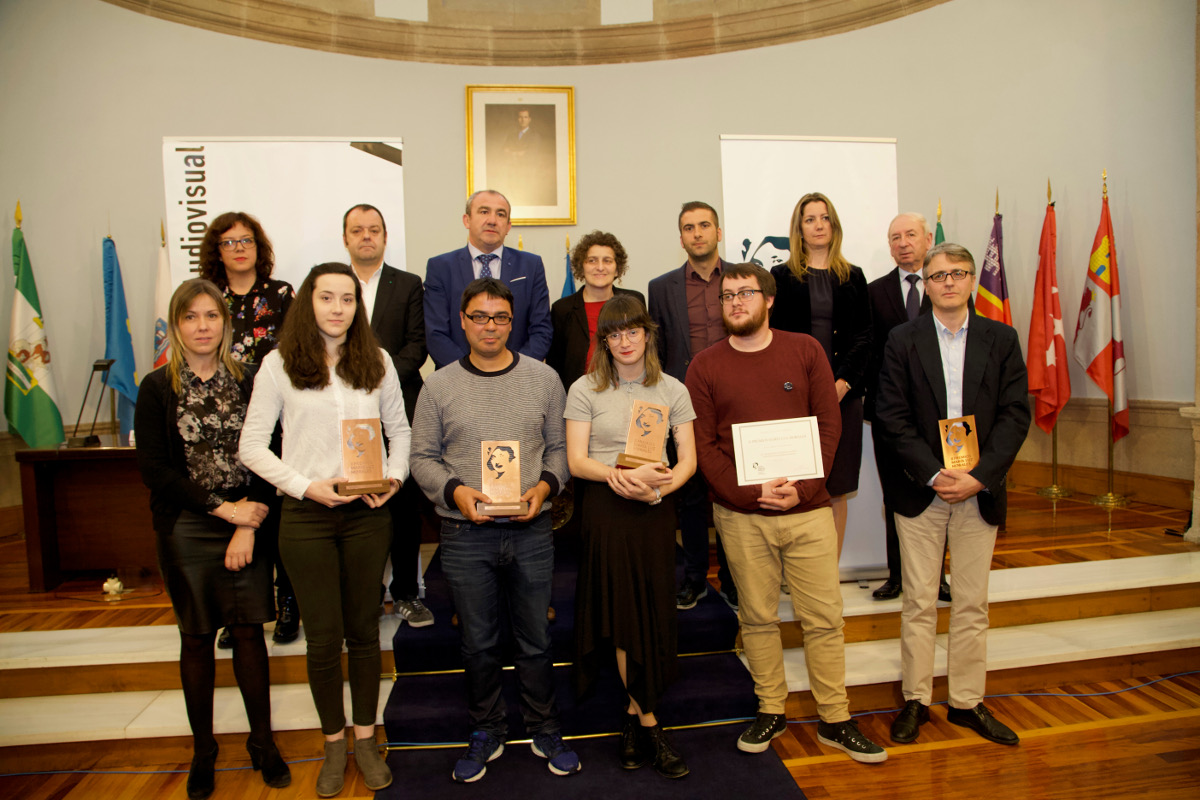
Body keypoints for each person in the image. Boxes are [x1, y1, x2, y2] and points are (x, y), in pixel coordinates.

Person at [685, 262, 887, 764]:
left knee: (824, 619)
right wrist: (748, 495)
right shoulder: (704, 366)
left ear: (769, 299)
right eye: (727, 295)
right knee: (755, 617)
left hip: (808, 510)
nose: (735, 302)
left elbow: (828, 425)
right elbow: (705, 446)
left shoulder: (805, 350)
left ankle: (835, 718)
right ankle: (770, 708)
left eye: (746, 293)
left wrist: (803, 488)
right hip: (741, 515)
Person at [239, 263, 409, 796]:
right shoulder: (278, 365)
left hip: (366, 515)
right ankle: (333, 743)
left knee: (363, 633)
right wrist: (304, 485)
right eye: (326, 298)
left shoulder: (376, 361)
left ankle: (364, 738)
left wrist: (395, 478)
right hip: (307, 517)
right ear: (308, 304)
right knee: (321, 640)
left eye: (347, 299)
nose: (337, 308)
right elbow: (251, 446)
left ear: (358, 307)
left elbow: (400, 431)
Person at [410, 277, 579, 783]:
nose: (490, 326)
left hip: (531, 528)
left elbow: (559, 450)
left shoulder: (544, 378)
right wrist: (456, 491)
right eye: (480, 317)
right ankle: (486, 729)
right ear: (462, 321)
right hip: (465, 533)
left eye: (500, 317)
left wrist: (545, 488)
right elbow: (421, 458)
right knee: (479, 644)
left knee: (535, 639)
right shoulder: (438, 385)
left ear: (513, 322)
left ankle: (544, 726)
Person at [134, 279, 290, 799]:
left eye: (211, 316)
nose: (202, 326)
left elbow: (269, 453)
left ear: (226, 322)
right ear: (177, 326)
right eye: (190, 317)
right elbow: (155, 470)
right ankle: (205, 749)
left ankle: (263, 742)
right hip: (186, 523)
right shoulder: (156, 387)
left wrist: (245, 523)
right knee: (196, 638)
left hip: (249, 515)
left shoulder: (252, 379)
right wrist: (221, 511)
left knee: (248, 632)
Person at [875, 243, 1030, 747]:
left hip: (978, 490)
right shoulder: (902, 338)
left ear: (970, 281)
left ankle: (967, 702)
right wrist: (934, 472)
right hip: (923, 489)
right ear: (927, 280)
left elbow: (1014, 415)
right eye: (938, 275)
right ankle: (915, 700)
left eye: (957, 273)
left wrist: (979, 475)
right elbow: (891, 416)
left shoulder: (1001, 338)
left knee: (971, 603)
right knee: (919, 602)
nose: (947, 282)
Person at [565, 295, 696, 779]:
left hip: (654, 510)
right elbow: (577, 461)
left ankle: (629, 719)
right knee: (623, 614)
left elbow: (688, 461)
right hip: (606, 508)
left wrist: (661, 489)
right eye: (614, 334)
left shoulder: (672, 390)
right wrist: (617, 478)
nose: (624, 341)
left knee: (653, 610)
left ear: (648, 334)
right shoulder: (584, 389)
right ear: (604, 342)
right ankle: (653, 725)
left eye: (632, 331)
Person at [198, 211, 299, 646]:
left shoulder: (281, 295)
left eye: (246, 241)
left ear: (259, 248)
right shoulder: (209, 298)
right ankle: (237, 612)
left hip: (275, 422)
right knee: (233, 515)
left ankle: (287, 604)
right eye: (229, 242)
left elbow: (297, 353)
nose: (239, 248)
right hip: (222, 421)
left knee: (276, 518)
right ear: (216, 251)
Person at [340, 203, 433, 628]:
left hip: (398, 408)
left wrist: (373, 379)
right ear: (346, 238)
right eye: (357, 230)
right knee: (356, 504)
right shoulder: (332, 285)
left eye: (373, 229)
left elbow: (418, 347)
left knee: (401, 503)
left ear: (384, 236)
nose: (366, 236)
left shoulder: (409, 284)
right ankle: (365, 595)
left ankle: (407, 593)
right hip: (342, 412)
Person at [769, 192, 871, 561]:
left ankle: (828, 568)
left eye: (824, 218)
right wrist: (804, 389)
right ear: (799, 228)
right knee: (797, 485)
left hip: (844, 398)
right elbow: (775, 340)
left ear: (834, 225)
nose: (818, 225)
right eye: (810, 219)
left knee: (836, 488)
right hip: (795, 398)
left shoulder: (854, 277)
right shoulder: (780, 277)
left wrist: (840, 384)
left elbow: (863, 338)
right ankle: (794, 570)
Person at [647, 201, 736, 611]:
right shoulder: (661, 287)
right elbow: (659, 352)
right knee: (692, 497)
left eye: (704, 225)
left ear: (718, 232)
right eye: (688, 227)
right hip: (685, 407)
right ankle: (696, 578)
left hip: (738, 402)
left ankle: (737, 580)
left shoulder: (743, 279)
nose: (697, 233)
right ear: (680, 237)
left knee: (737, 493)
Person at [865, 212, 950, 602]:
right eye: (894, 237)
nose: (903, 243)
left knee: (945, 494)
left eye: (910, 235)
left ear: (927, 238)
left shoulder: (947, 288)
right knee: (896, 496)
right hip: (891, 416)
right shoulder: (873, 292)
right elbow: (869, 352)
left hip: (941, 416)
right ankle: (897, 575)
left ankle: (940, 578)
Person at [424, 190, 552, 369]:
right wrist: (469, 372)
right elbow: (435, 334)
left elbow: (541, 330)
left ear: (508, 226)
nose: (492, 220)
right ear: (466, 220)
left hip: (518, 380)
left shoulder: (531, 265)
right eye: (484, 212)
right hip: (457, 381)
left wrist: (515, 370)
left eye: (500, 214)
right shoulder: (440, 267)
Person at [547, 230, 645, 390]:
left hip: (629, 390)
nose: (600, 267)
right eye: (592, 261)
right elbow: (556, 365)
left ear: (617, 267)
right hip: (580, 397)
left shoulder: (635, 301)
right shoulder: (562, 309)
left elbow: (647, 350)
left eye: (607, 261)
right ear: (581, 265)